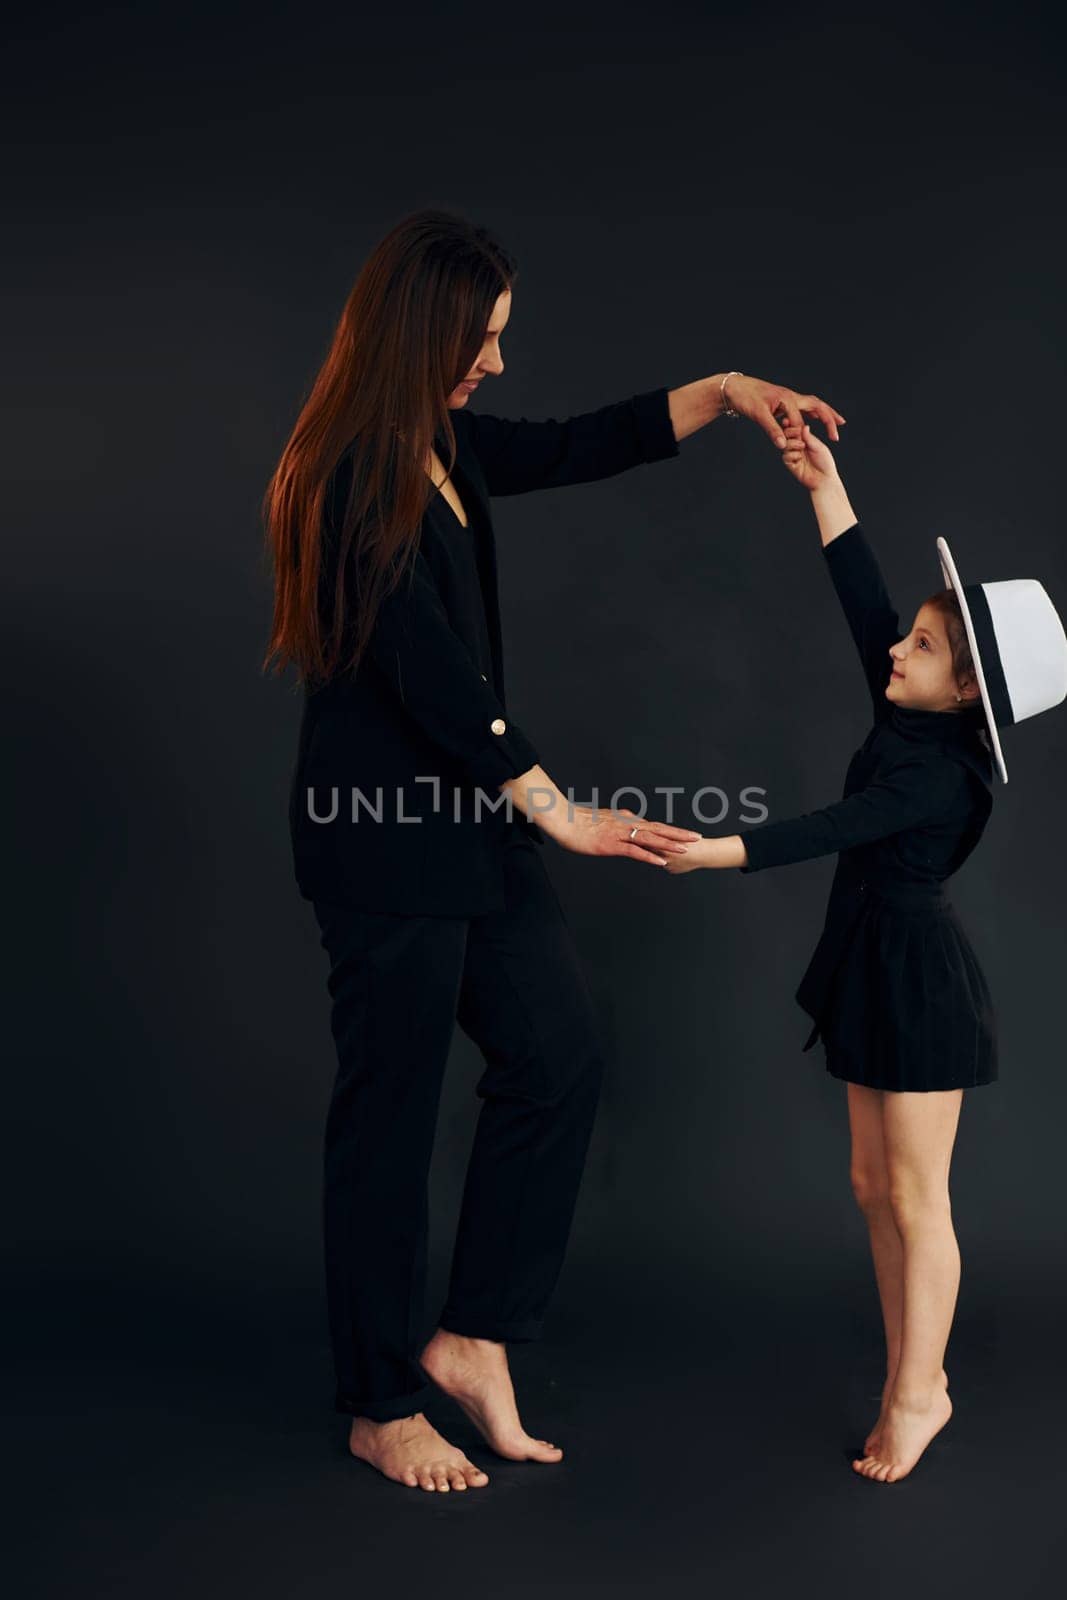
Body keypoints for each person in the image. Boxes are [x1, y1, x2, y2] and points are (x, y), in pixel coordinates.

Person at [262, 206, 845, 1492]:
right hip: (384, 848)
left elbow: (583, 444)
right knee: (390, 1125)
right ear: (424, 331)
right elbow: (421, 665)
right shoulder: (352, 469)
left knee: (556, 1057)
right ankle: (374, 1400)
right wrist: (556, 806)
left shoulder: (440, 443)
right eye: (483, 340)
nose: (497, 364)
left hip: (469, 830)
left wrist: (728, 392)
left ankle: (472, 1335)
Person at [666, 417, 1067, 1482]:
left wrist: (715, 852)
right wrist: (821, 485)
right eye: (914, 637)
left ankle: (918, 1392)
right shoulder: (907, 710)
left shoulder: (938, 777)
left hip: (921, 987)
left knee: (915, 1195)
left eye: (924, 647)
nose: (899, 649)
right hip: (869, 967)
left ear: (969, 688)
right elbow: (862, 606)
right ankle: (909, 1371)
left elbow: (829, 830)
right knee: (867, 1185)